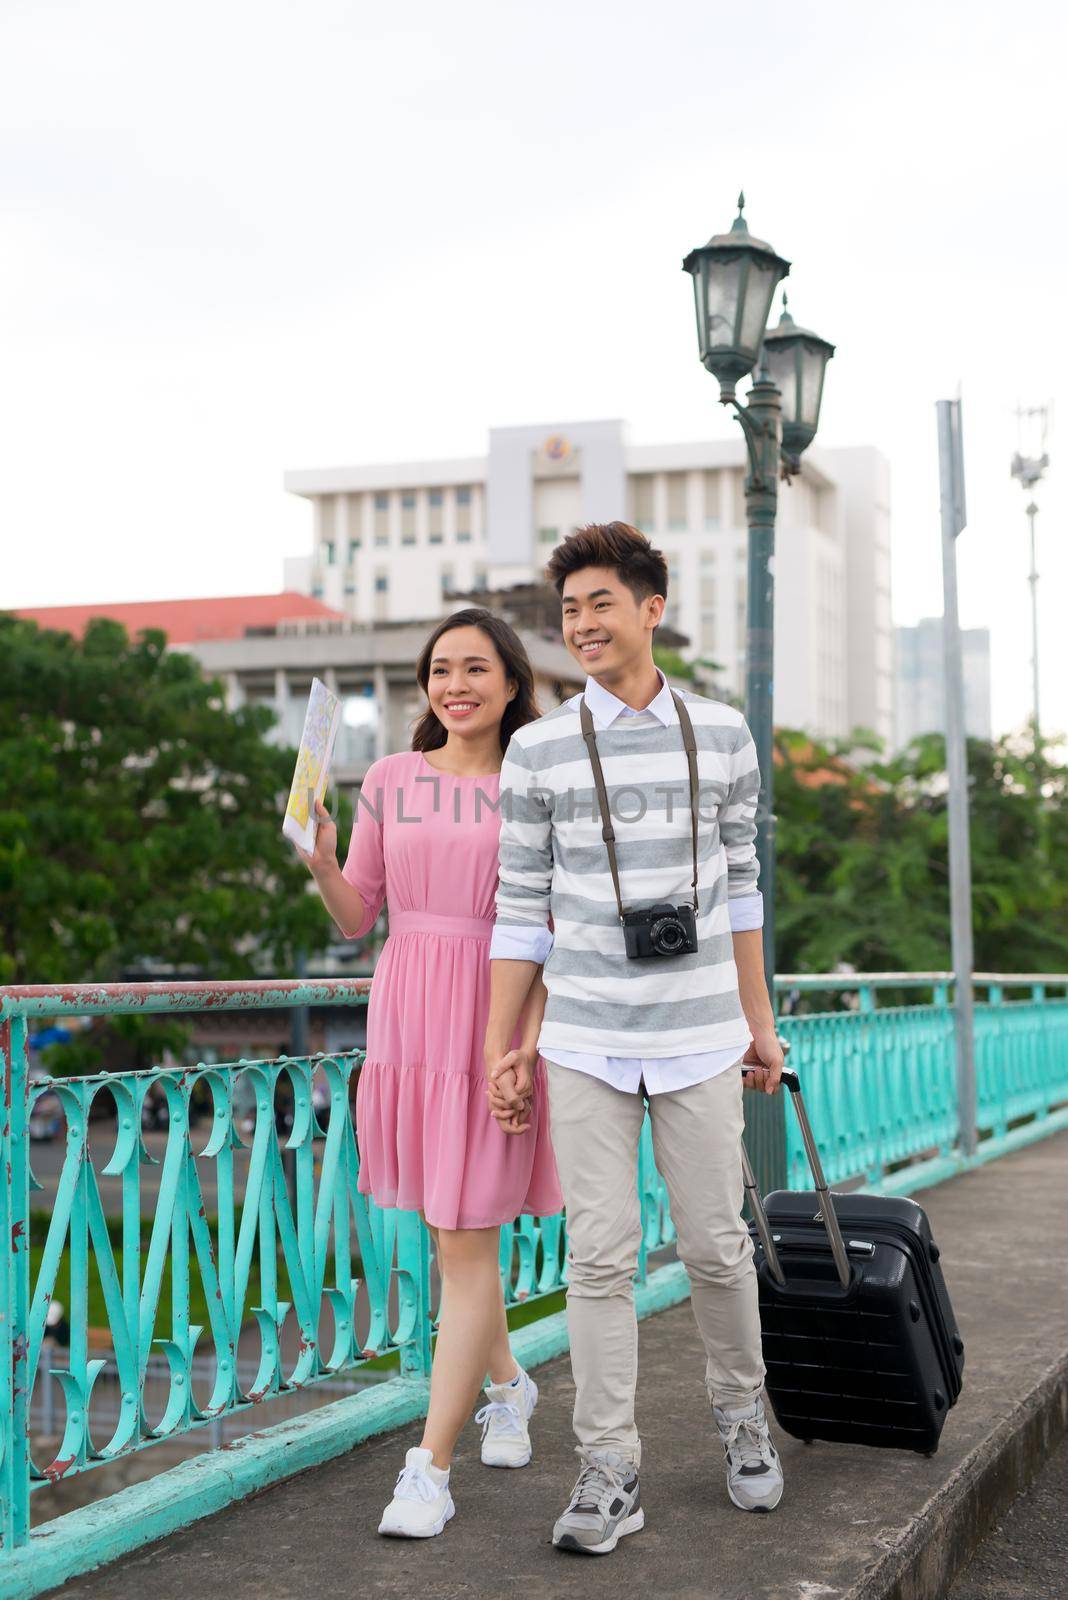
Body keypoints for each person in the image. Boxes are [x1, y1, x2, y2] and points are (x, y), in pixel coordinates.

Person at [484, 522, 785, 1557]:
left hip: (704, 1032)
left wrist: (760, 1021)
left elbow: (744, 884)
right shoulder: (540, 748)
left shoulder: (725, 734)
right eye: (568, 610)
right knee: (598, 1258)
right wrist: (502, 1043)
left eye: (599, 603)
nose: (581, 624)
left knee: (715, 1243)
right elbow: (520, 908)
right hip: (583, 1038)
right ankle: (609, 1466)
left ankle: (745, 1417)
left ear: (651, 608)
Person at [296, 607, 562, 1539]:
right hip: (408, 1014)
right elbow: (355, 916)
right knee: (451, 1236)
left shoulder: (537, 782)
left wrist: (520, 1046)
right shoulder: (392, 778)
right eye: (441, 669)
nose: (456, 684)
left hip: (492, 1017)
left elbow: (549, 933)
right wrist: (324, 861)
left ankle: (428, 1469)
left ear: (511, 682)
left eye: (475, 668)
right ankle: (509, 1385)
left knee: (465, 1240)